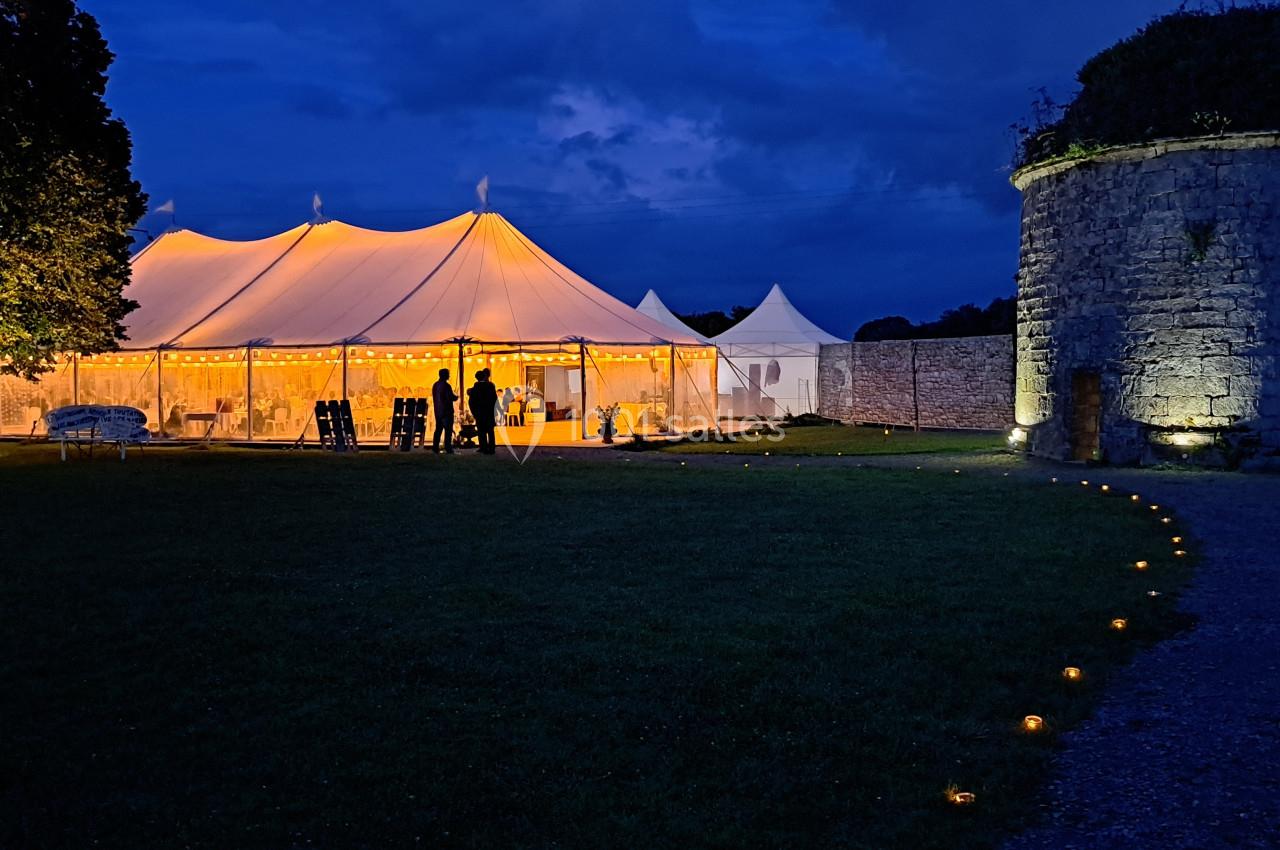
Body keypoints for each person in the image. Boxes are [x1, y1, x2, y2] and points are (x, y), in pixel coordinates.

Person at [468, 368, 499, 454]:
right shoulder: (490, 386)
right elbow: (495, 399)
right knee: (490, 431)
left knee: (481, 431)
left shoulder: (476, 387)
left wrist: (474, 412)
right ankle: (492, 448)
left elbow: (471, 401)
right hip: (489, 412)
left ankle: (483, 447)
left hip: (479, 412)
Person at [431, 368, 458, 453]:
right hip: (447, 411)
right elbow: (450, 397)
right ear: (445, 375)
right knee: (448, 430)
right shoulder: (446, 386)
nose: (449, 376)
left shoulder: (435, 385)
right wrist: (456, 396)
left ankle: (435, 447)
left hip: (438, 411)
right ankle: (448, 447)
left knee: (438, 430)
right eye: (448, 374)